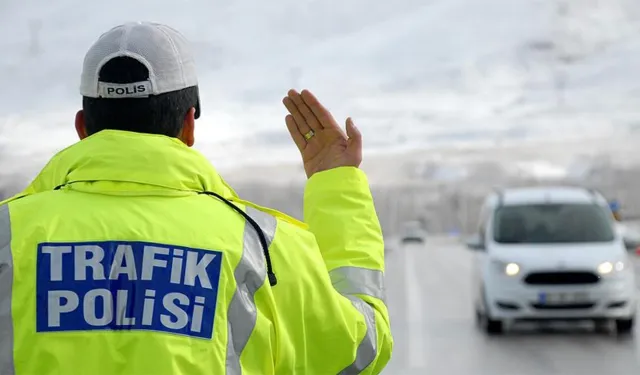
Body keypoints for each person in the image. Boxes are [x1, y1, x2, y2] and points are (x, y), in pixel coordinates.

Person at [0, 22, 392, 374]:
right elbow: (359, 350)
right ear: (189, 124)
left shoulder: (7, 235)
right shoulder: (262, 247)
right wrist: (335, 183)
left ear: (82, 126)